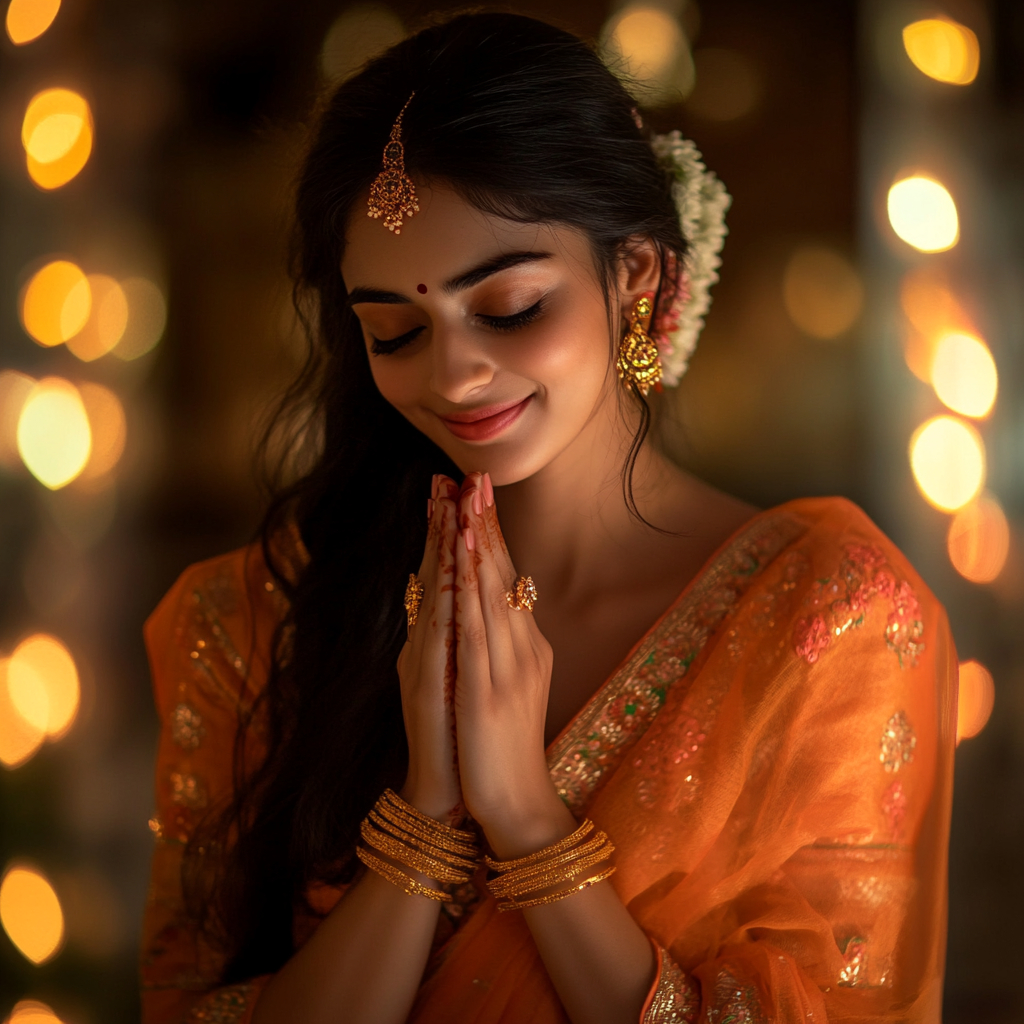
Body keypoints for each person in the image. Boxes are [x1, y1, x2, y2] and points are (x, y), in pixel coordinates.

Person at [140, 12, 955, 1024]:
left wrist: (527, 820)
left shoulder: (832, 623)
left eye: (512, 306)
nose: (452, 373)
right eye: (394, 330)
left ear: (636, 278)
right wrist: (425, 814)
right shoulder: (252, 617)